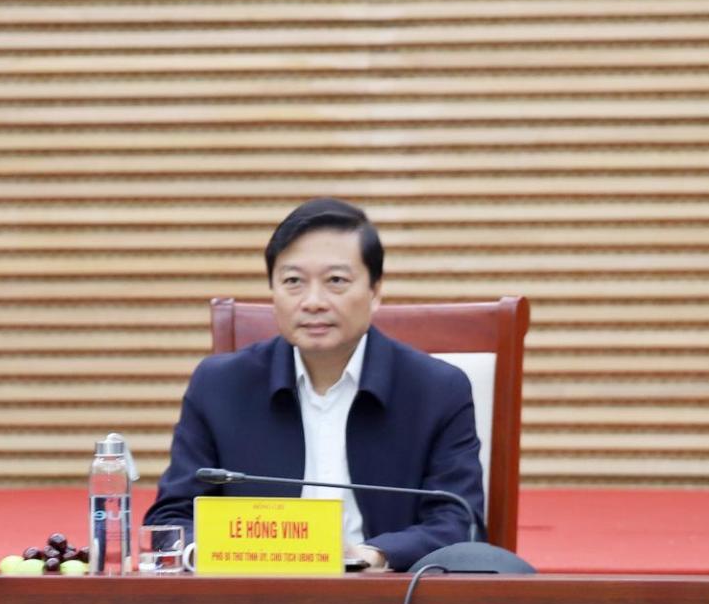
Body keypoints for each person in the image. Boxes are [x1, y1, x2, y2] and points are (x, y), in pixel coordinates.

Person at [145, 199, 481, 572]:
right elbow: (170, 521)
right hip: (249, 599)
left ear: (375, 290)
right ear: (272, 289)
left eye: (336, 281)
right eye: (293, 282)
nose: (314, 302)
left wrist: (375, 555)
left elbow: (459, 522)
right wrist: (211, 553)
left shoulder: (436, 390)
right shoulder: (220, 386)